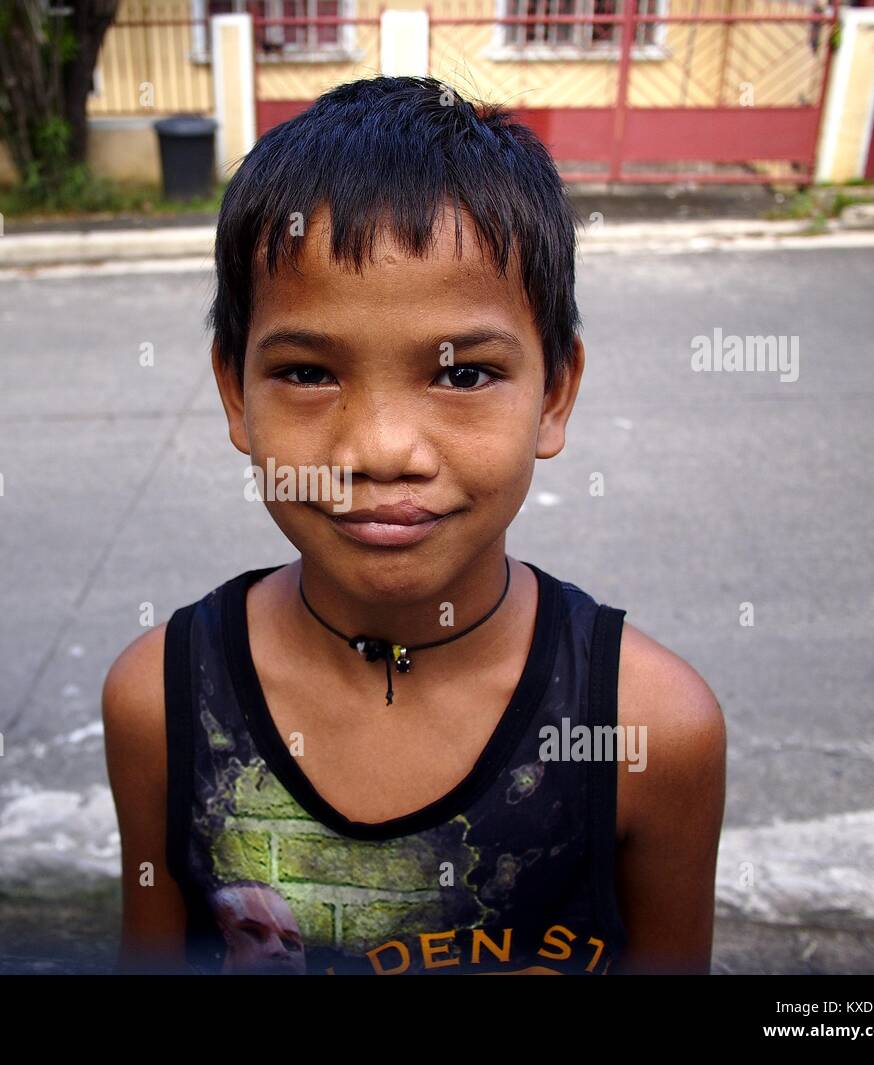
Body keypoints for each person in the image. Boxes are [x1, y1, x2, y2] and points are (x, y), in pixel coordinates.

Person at [103, 75, 726, 976]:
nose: (384, 450)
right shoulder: (160, 702)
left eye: (463, 375)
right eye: (310, 374)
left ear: (554, 394)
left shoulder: (652, 731)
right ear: (234, 392)